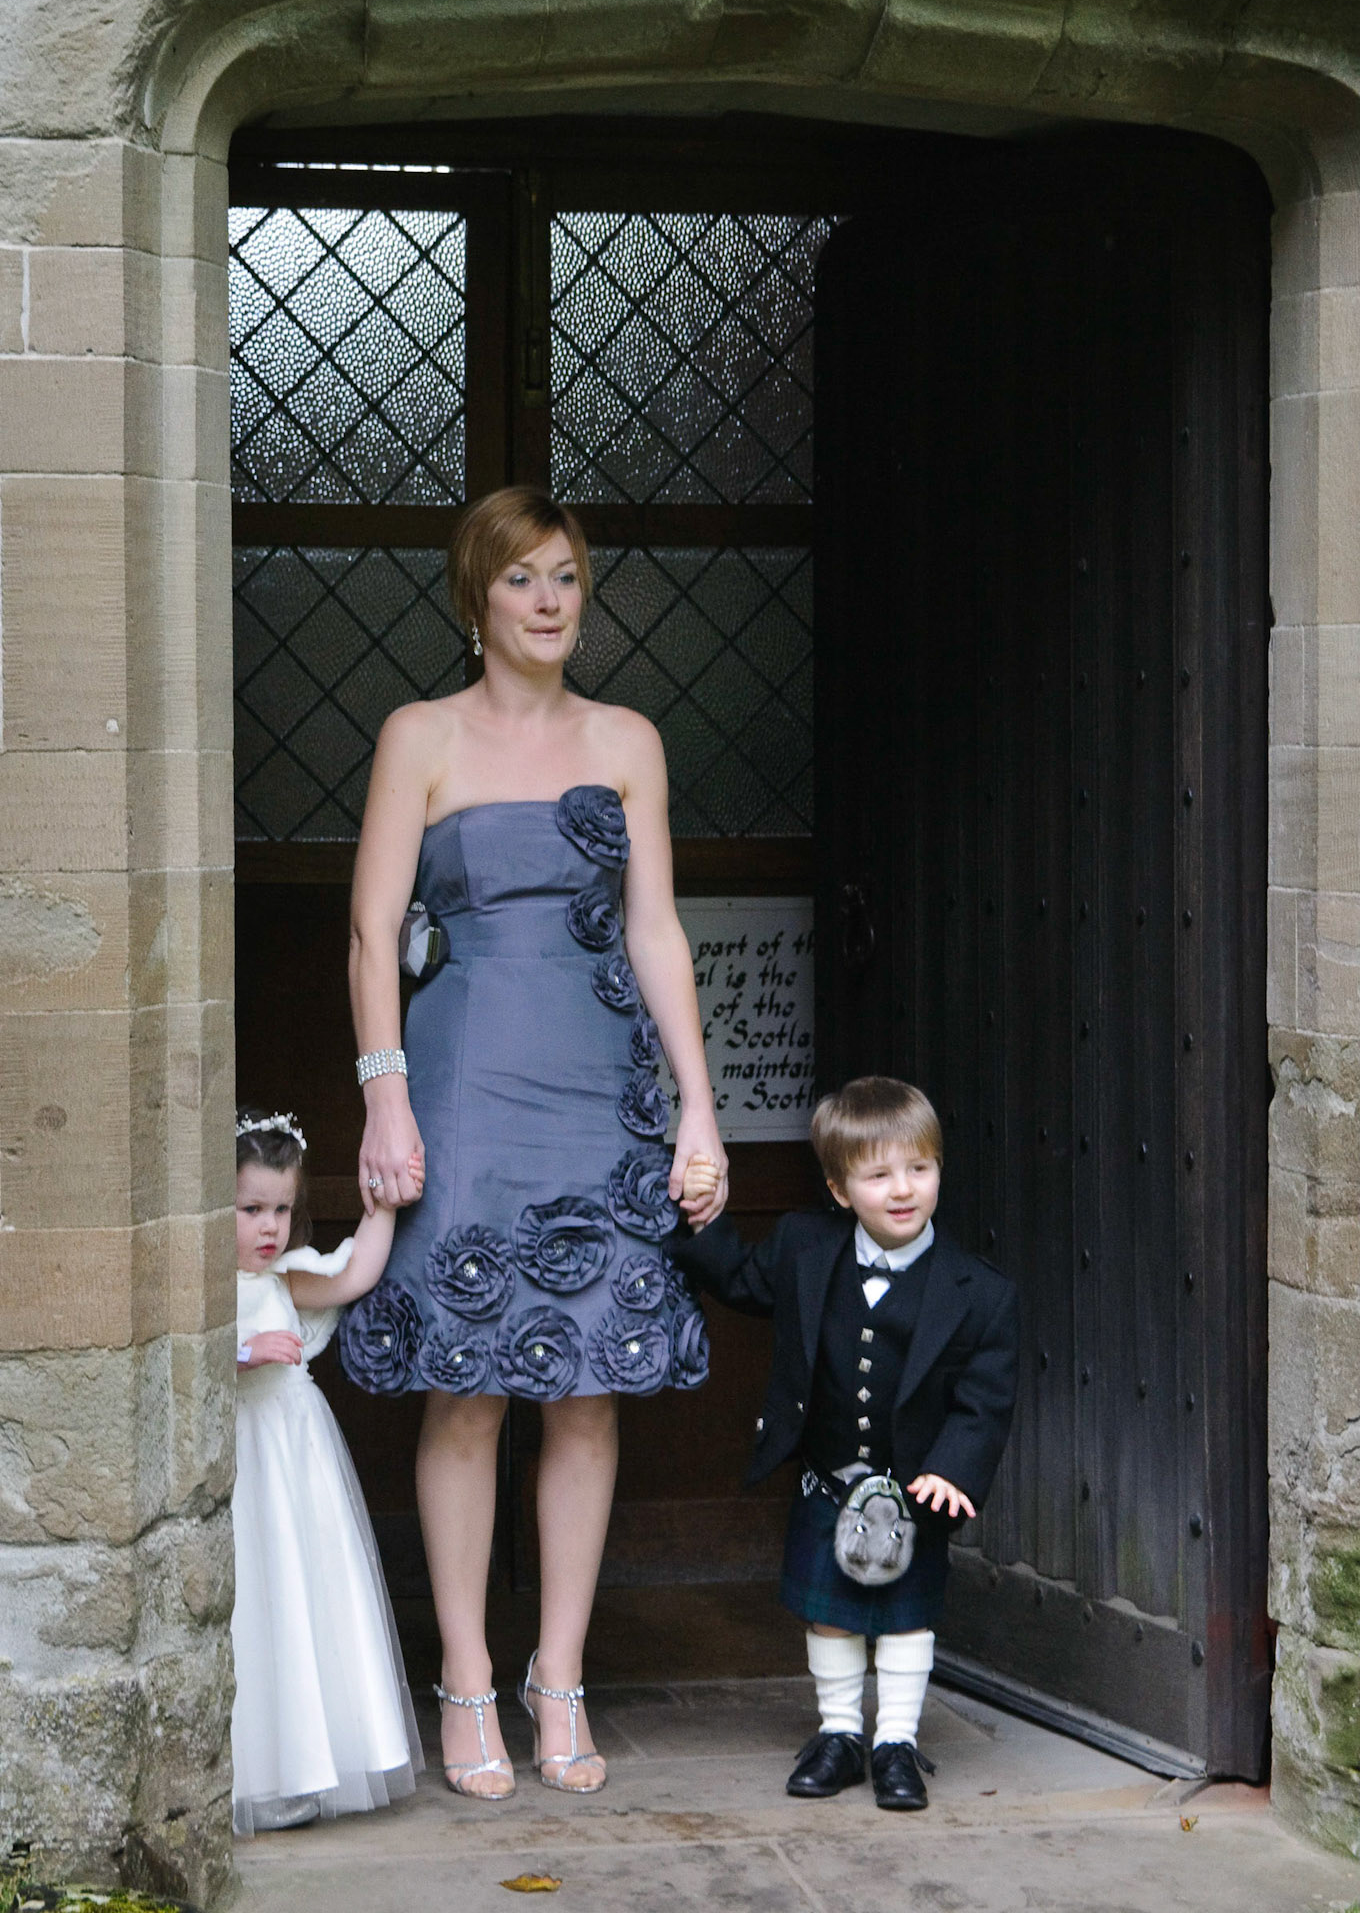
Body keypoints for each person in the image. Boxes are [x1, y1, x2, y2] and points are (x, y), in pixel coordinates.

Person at [342, 486, 728, 1802]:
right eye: (521, 577)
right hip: (461, 1080)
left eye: (565, 575)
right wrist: (386, 1098)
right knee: (466, 1387)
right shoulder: (419, 734)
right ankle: (464, 1676)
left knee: (589, 1384)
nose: (549, 598)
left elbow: (656, 929)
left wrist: (697, 1104)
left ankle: (557, 1675)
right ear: (475, 599)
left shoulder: (628, 739)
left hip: (596, 1084)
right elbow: (371, 933)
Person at [668, 1076, 1019, 1812]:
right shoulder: (804, 1247)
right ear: (838, 1188)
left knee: (906, 1618)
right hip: (827, 1482)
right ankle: (838, 1735)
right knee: (829, 1613)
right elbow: (739, 1280)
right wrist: (703, 1220)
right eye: (879, 1174)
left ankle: (895, 1743)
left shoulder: (979, 1291)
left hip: (912, 1491)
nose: (903, 1189)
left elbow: (985, 1399)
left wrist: (953, 1468)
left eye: (919, 1168)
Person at [231, 1107, 425, 1835]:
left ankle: (316, 1762)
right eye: (251, 1210)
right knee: (259, 1595)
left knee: (307, 1590)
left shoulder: (285, 1279)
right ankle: (259, 1772)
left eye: (282, 1209)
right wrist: (243, 1353)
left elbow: (352, 1274)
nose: (270, 1227)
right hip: (244, 1456)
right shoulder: (201, 1286)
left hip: (296, 1455)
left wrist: (382, 1206)